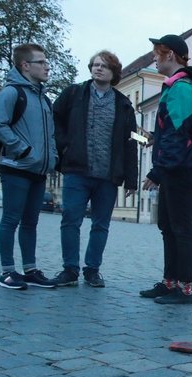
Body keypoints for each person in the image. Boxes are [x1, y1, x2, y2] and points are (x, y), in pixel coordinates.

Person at [51, 50, 138, 288]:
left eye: (104, 66)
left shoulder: (123, 104)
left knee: (101, 225)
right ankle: (69, 269)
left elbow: (132, 140)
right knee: (70, 220)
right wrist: (63, 147)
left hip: (107, 176)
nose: (98, 68)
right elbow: (54, 119)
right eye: (95, 65)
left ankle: (92, 269)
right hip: (76, 171)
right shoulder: (74, 93)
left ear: (114, 73)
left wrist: (131, 179)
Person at [138, 34, 192, 305]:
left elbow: (178, 136)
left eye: (157, 53)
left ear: (170, 55)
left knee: (181, 229)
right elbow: (175, 133)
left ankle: (185, 289)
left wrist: (157, 171)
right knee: (169, 226)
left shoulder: (181, 89)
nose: (154, 57)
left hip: (181, 171)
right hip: (176, 169)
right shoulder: (175, 87)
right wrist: (155, 139)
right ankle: (170, 282)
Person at [0, 43, 58, 290]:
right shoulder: (11, 92)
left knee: (31, 222)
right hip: (16, 167)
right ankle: (7, 271)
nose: (47, 66)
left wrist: (53, 158)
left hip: (38, 170)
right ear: (25, 65)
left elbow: (49, 135)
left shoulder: (43, 98)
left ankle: (30, 269)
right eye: (42, 62)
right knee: (11, 220)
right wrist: (22, 149)